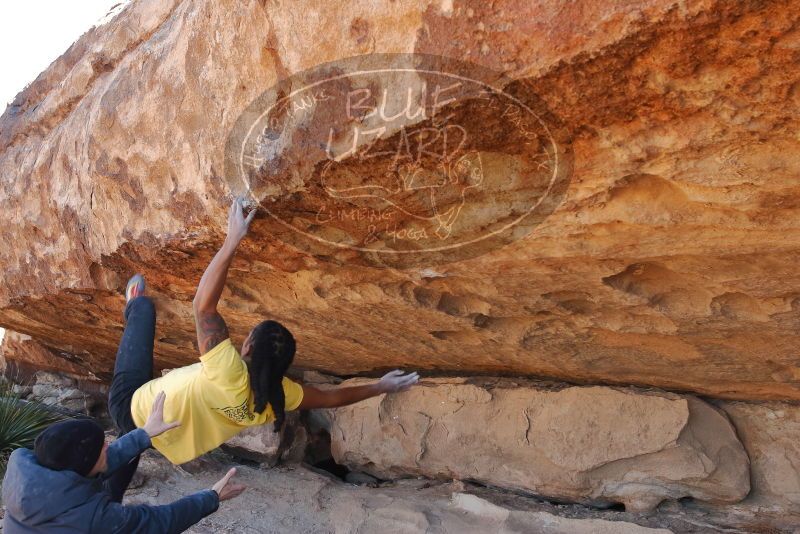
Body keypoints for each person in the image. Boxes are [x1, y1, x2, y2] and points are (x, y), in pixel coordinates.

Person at [113, 196, 419, 466]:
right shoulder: (277, 395)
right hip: (163, 440)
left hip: (131, 407)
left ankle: (135, 306)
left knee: (144, 312)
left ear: (247, 348)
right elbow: (330, 398)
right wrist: (381, 386)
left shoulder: (227, 373)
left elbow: (202, 307)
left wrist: (232, 239)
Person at [2, 392, 246, 533]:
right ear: (84, 466)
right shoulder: (94, 518)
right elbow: (158, 522)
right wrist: (211, 496)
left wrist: (144, 433)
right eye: (102, 447)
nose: (108, 444)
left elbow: (100, 461)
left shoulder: (26, 472)